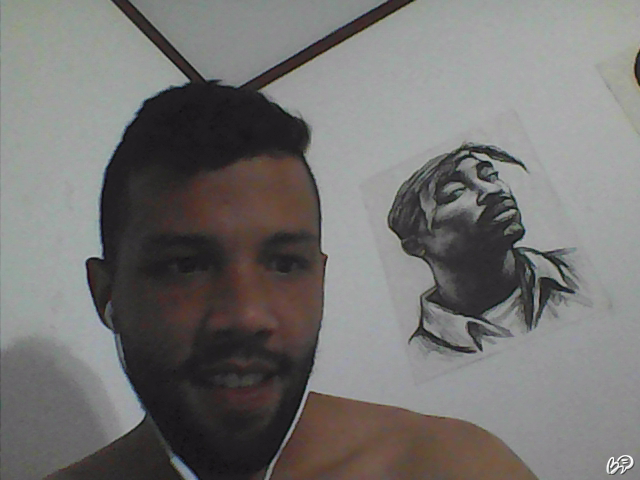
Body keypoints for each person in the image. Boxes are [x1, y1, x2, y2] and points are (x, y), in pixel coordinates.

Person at [48, 82, 538, 479]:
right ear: (106, 293)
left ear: (319, 281)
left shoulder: (452, 466)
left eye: (284, 264)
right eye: (185, 266)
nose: (247, 316)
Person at [388, 144, 591, 358]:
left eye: (491, 176)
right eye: (454, 192)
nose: (493, 190)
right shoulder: (424, 354)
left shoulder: (583, 272)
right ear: (415, 246)